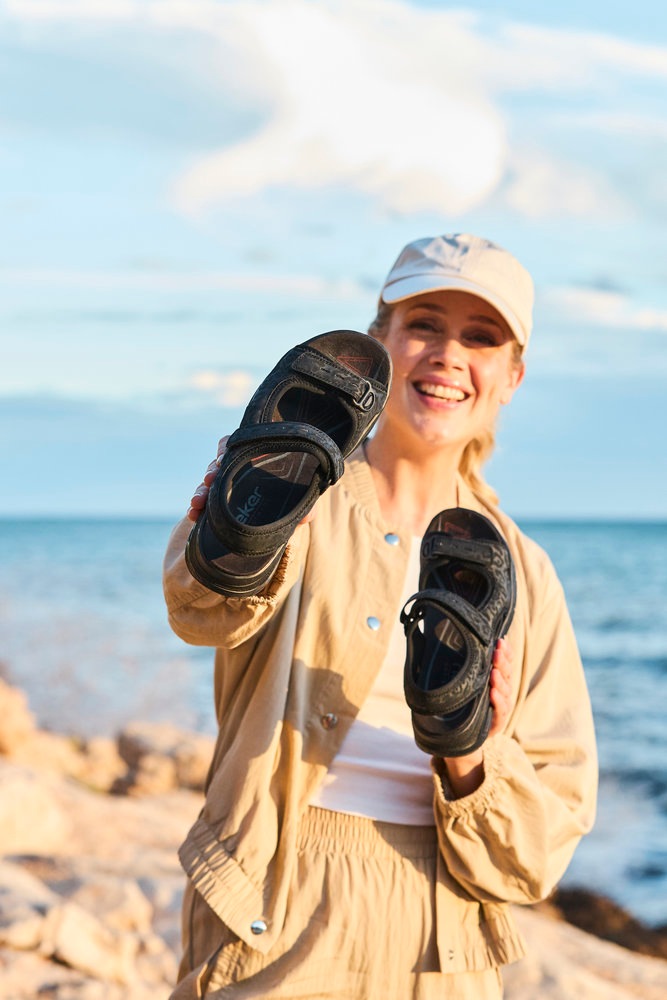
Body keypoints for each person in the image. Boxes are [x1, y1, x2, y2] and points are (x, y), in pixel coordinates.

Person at [163, 233, 597, 999]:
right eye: (423, 323)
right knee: (242, 544)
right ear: (378, 343)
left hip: (445, 932)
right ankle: (238, 543)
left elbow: (542, 845)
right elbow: (201, 614)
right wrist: (232, 545)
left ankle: (452, 718)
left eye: (480, 336)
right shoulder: (294, 488)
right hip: (272, 893)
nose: (447, 353)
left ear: (512, 376)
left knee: (469, 718)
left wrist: (467, 754)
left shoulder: (524, 575)